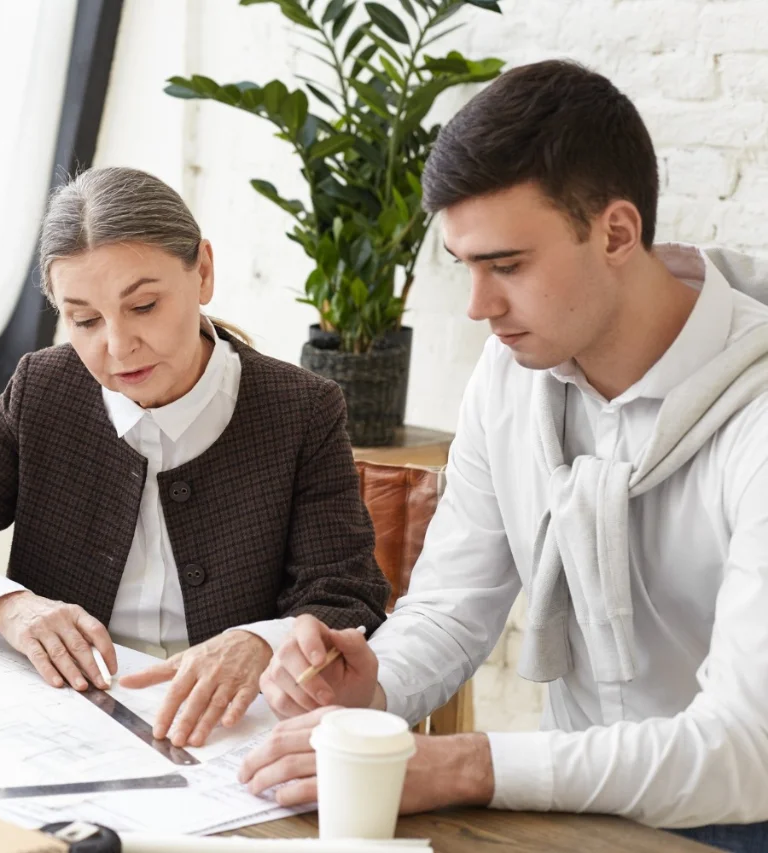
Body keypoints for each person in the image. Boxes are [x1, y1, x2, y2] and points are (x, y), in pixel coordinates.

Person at [241, 60, 768, 852]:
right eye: (467, 266)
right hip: (568, 806)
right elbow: (453, 604)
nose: (479, 307)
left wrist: (464, 764)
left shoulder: (756, 416)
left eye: (508, 266)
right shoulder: (512, 375)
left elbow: (745, 751)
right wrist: (373, 686)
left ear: (617, 233)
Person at [0, 166, 390, 748]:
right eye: (83, 320)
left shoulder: (301, 408)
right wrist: (12, 608)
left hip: (234, 727)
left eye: (145, 306)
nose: (117, 345)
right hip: (56, 719)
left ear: (203, 272)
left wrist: (261, 641)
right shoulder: (44, 387)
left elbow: (345, 595)